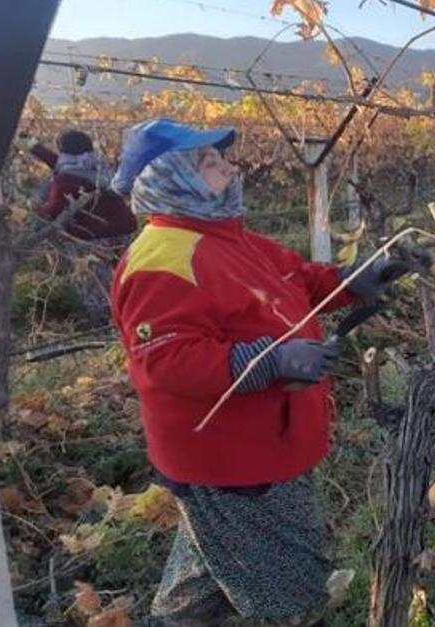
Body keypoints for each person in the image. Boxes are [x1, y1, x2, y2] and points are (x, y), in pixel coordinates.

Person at [109, 118, 408, 626]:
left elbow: (299, 279)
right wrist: (271, 359)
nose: (229, 166)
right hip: (229, 456)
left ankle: (178, 618)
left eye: (221, 156)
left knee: (212, 550)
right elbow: (163, 361)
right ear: (169, 174)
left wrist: (356, 279)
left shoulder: (228, 236)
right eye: (208, 161)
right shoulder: (162, 258)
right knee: (288, 579)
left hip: (257, 442)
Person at [20, 130, 138, 323]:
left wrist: (31, 213)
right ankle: (136, 308)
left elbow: (53, 211)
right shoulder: (97, 164)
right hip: (126, 229)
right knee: (129, 273)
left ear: (64, 152)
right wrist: (28, 141)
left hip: (94, 237)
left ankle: (104, 322)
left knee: (96, 284)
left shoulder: (65, 179)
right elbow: (52, 159)